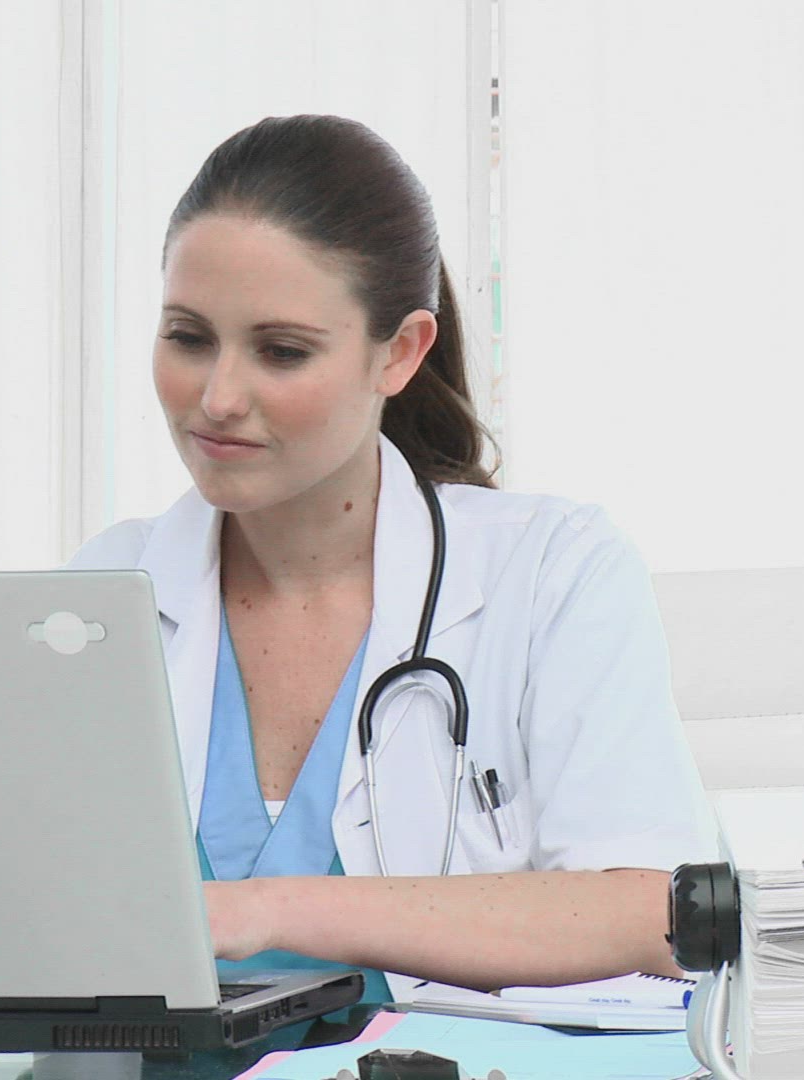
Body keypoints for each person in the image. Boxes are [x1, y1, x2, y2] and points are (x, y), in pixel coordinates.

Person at [67, 115, 714, 1007]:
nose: (217, 398)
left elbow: (653, 911)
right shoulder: (104, 591)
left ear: (400, 353)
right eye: (188, 337)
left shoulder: (550, 571)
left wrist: (269, 910)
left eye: (281, 351)